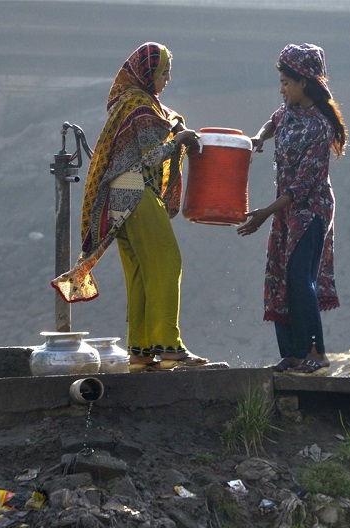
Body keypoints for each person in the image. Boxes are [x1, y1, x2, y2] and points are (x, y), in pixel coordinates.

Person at [51, 42, 208, 372]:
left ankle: (140, 352)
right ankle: (169, 347)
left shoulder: (132, 103)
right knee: (167, 262)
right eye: (163, 72)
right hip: (135, 191)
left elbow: (163, 124)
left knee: (140, 272)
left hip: (116, 199)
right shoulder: (140, 106)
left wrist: (174, 128)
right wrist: (179, 140)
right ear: (147, 73)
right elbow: (150, 156)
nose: (166, 79)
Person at [238, 43, 347, 376]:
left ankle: (316, 351)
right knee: (281, 279)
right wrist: (258, 139)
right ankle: (294, 355)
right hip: (287, 210)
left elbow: (301, 188)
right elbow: (272, 122)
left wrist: (264, 214)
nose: (282, 89)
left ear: (305, 82)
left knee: (300, 278)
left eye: (287, 82)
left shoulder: (320, 127)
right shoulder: (288, 112)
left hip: (311, 210)